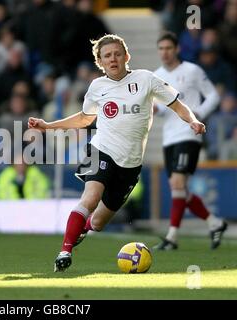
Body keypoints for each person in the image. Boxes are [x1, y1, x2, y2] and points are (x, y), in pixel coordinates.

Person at [28, 34, 207, 272]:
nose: (113, 59)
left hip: (131, 163)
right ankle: (65, 251)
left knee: (99, 222)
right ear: (100, 62)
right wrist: (48, 126)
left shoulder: (146, 79)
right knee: (90, 198)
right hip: (101, 149)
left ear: (126, 56)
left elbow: (176, 104)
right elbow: (84, 118)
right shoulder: (97, 87)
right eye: (107, 56)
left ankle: (84, 227)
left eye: (117, 54)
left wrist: (192, 121)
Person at [153, 31, 227, 251]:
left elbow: (213, 95)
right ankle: (215, 223)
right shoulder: (155, 76)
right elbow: (159, 108)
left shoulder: (192, 71)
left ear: (177, 49)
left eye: (168, 48)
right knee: (180, 189)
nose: (164, 53)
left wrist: (198, 115)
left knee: (177, 184)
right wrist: (154, 109)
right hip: (169, 138)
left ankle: (172, 237)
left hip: (188, 134)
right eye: (161, 49)